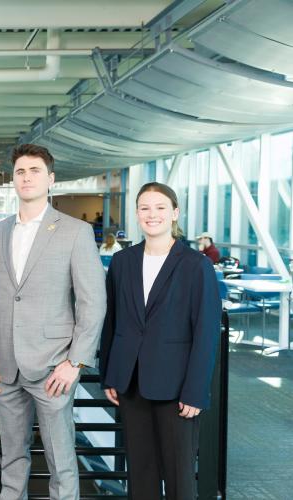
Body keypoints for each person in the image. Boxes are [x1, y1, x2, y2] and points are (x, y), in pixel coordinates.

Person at [0, 144, 106, 499]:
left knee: (61, 461)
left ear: (50, 179)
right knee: (11, 459)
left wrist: (75, 361)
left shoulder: (75, 232)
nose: (27, 177)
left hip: (54, 366)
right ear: (13, 180)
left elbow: (92, 302)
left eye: (34, 171)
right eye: (20, 171)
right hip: (4, 366)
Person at [99, 182, 221, 500]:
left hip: (177, 389)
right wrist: (110, 374)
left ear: (174, 213)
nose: (152, 214)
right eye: (144, 208)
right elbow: (113, 321)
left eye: (160, 207)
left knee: (180, 479)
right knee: (141, 475)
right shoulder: (122, 261)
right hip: (131, 382)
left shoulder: (196, 265)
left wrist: (195, 391)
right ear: (137, 213)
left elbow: (206, 333)